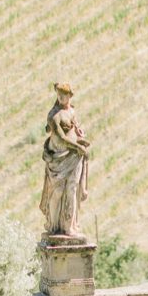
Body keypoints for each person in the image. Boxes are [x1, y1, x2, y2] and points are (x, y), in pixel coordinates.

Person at [39, 82, 91, 238]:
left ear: (70, 96)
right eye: (59, 94)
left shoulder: (72, 111)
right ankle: (54, 226)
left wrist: (80, 138)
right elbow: (61, 137)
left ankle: (69, 226)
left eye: (64, 94)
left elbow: (74, 128)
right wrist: (77, 146)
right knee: (57, 191)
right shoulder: (53, 115)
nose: (61, 97)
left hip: (73, 157)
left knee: (72, 190)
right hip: (59, 158)